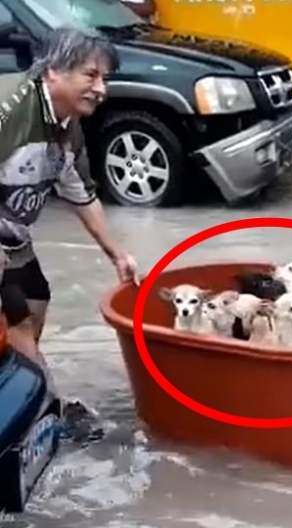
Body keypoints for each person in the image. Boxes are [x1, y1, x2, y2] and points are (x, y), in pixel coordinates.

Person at [0, 27, 139, 394]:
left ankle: (20, 381)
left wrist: (118, 254)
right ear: (53, 72)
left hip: (12, 235)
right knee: (17, 323)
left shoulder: (68, 127)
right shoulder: (10, 108)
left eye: (104, 78)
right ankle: (40, 399)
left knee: (36, 300)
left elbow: (81, 193)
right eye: (90, 75)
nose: (101, 89)